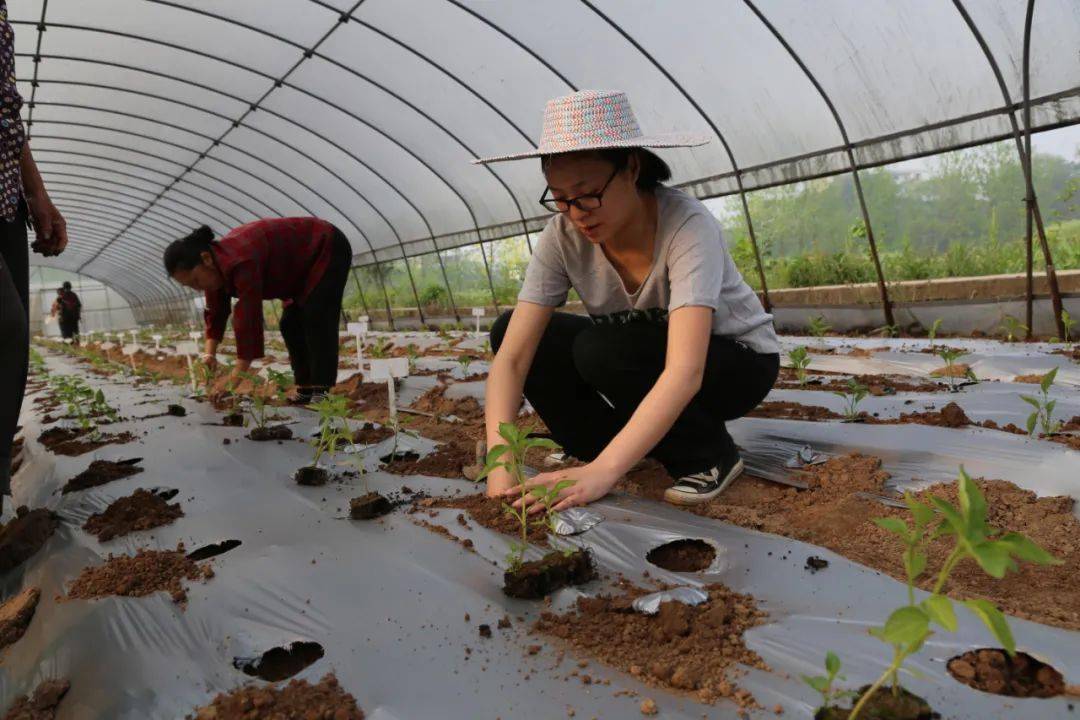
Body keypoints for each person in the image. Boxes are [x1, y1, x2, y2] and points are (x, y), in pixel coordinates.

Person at [473, 90, 779, 512]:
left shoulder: (686, 226)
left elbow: (685, 370)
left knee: (604, 348)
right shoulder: (562, 237)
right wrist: (501, 466)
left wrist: (604, 475)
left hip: (735, 364)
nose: (576, 212)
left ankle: (709, 457)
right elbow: (512, 359)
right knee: (511, 330)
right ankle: (608, 449)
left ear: (632, 167)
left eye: (587, 193)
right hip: (643, 353)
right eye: (559, 198)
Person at [164, 218, 352, 403]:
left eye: (196, 281)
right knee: (290, 324)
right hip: (296, 273)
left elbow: (249, 318)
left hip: (323, 246)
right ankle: (306, 389)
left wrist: (233, 381)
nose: (198, 288)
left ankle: (321, 392)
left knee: (316, 318)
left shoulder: (241, 260)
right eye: (191, 286)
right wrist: (209, 355)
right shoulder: (215, 269)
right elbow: (216, 312)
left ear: (206, 259)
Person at [0, 0, 68, 508]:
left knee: (12, 342)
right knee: (4, 328)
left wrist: (35, 192)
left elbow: (6, 109)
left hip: (3, 198)